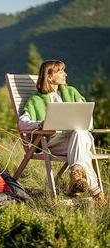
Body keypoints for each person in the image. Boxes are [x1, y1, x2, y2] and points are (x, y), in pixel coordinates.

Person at [19, 60, 106, 205]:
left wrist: (85, 123)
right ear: (49, 76)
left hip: (77, 138)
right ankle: (95, 193)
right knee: (83, 149)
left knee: (79, 131)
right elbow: (22, 123)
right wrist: (40, 124)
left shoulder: (71, 92)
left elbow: (87, 118)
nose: (65, 74)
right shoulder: (35, 99)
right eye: (61, 71)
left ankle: (77, 176)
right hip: (54, 141)